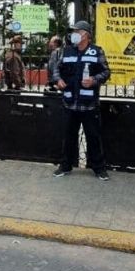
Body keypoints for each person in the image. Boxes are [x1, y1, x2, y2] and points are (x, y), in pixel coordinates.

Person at [53, 20, 111, 181]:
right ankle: (65, 166)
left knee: (93, 137)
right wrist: (58, 80)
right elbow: (56, 69)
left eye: (77, 32)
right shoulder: (67, 51)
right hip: (69, 103)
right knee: (68, 136)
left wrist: (93, 79)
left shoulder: (96, 51)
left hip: (89, 105)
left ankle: (99, 168)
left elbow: (106, 72)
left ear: (86, 35)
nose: (74, 35)